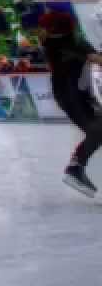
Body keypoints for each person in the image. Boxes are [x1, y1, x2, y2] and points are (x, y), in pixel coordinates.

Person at [39, 12, 102, 197]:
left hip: (67, 94)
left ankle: (76, 167)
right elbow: (96, 58)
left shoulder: (50, 43)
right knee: (97, 130)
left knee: (97, 130)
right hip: (73, 95)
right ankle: (75, 168)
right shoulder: (71, 41)